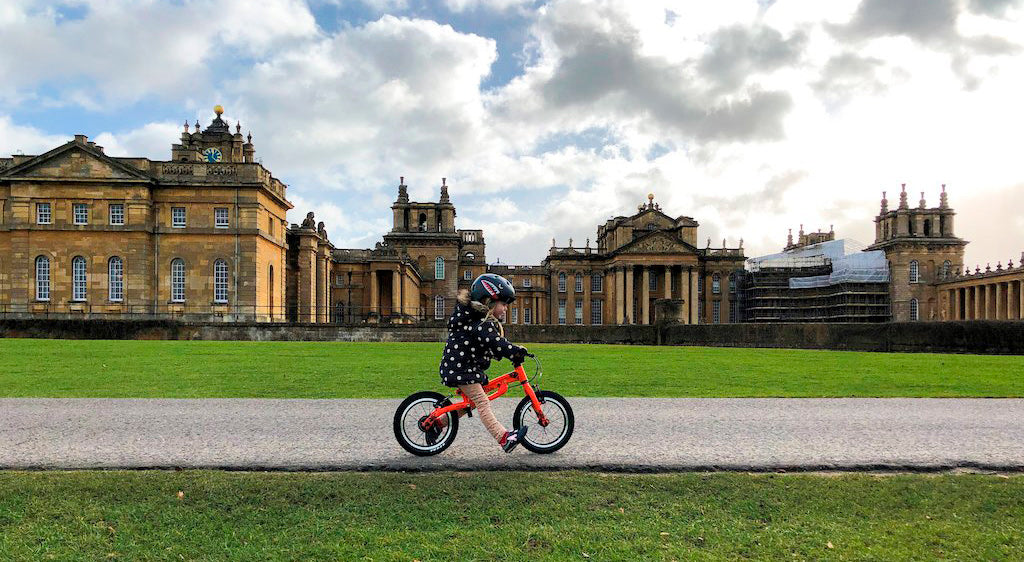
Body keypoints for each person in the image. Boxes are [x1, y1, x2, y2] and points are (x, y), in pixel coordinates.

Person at [431, 273, 529, 453]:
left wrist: (509, 351)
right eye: (504, 304)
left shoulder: (475, 319)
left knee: (471, 402)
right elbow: (495, 343)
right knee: (482, 401)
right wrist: (514, 351)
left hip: (465, 368)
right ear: (489, 301)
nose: (506, 309)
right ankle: (504, 438)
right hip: (462, 369)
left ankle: (438, 423)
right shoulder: (480, 323)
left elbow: (489, 346)